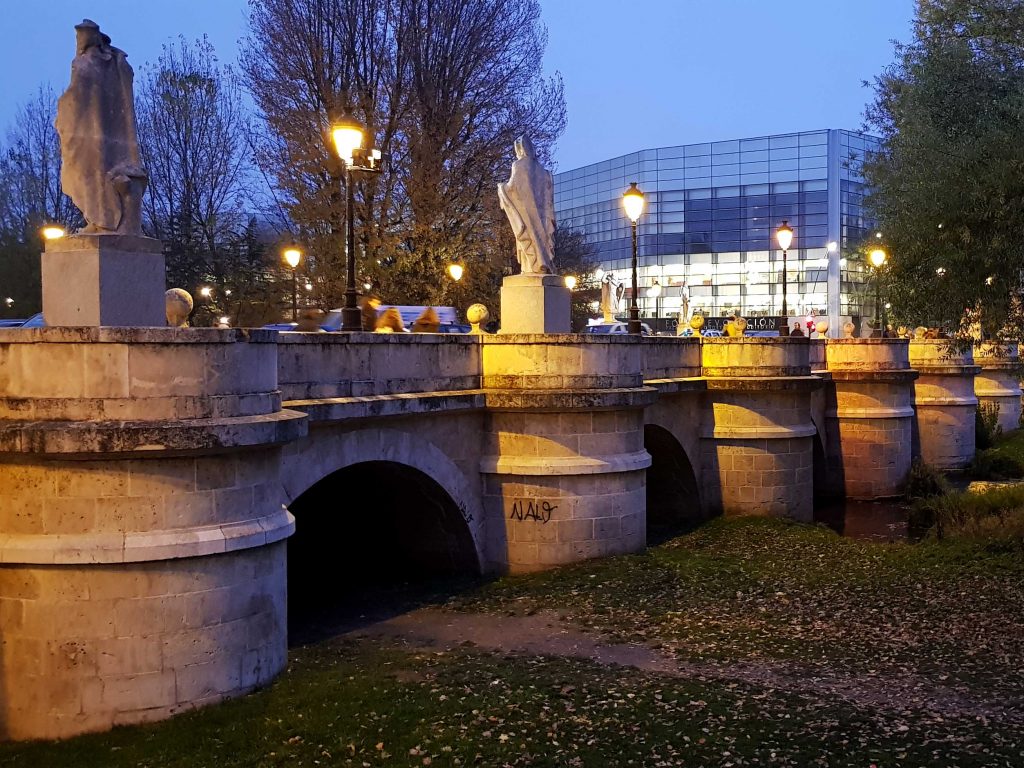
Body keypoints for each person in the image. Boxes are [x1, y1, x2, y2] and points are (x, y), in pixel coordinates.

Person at [56, 20, 147, 234]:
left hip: (88, 135)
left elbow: (74, 101)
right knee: (97, 173)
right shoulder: (117, 64)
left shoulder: (83, 64)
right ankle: (102, 220)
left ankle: (102, 220)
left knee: (90, 173)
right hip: (111, 136)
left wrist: (63, 118)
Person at [497, 135, 555, 274]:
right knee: (541, 238)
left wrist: (501, 187)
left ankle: (532, 267)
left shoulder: (519, 165)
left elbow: (512, 188)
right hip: (542, 214)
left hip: (526, 212)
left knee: (528, 237)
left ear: (520, 149)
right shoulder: (543, 171)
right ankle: (543, 263)